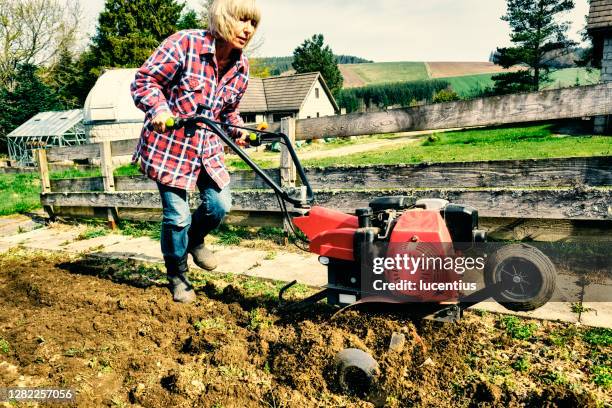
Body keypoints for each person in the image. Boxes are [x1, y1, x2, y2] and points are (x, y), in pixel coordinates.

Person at [131, 0, 261, 303]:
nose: (247, 29)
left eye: (253, 23)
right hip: (170, 148)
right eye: (242, 20)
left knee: (219, 205)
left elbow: (229, 112)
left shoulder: (241, 66)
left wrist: (239, 130)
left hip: (207, 148)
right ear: (222, 17)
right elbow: (144, 80)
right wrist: (159, 109)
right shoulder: (184, 44)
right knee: (177, 216)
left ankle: (195, 240)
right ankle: (177, 273)